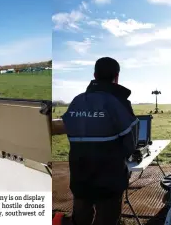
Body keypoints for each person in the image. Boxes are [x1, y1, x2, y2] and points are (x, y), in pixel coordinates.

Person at [61, 57, 138, 225]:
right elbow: (130, 144)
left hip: (79, 177)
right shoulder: (119, 102)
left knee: (80, 217)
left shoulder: (76, 101)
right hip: (109, 180)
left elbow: (71, 132)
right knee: (107, 219)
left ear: (94, 75)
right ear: (117, 77)